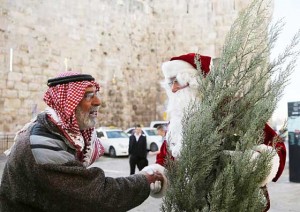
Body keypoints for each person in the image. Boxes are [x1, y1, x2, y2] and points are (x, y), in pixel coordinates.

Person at [0, 72, 165, 212]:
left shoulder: (55, 131)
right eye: (88, 96)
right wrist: (144, 180)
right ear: (67, 104)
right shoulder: (42, 144)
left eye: (95, 94)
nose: (98, 102)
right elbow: (96, 196)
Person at [160, 53, 286, 210]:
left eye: (176, 81)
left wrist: (253, 163)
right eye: (169, 83)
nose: (173, 89)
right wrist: (157, 173)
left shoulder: (233, 111)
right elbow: (165, 157)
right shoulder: (176, 122)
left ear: (195, 81)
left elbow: (276, 145)